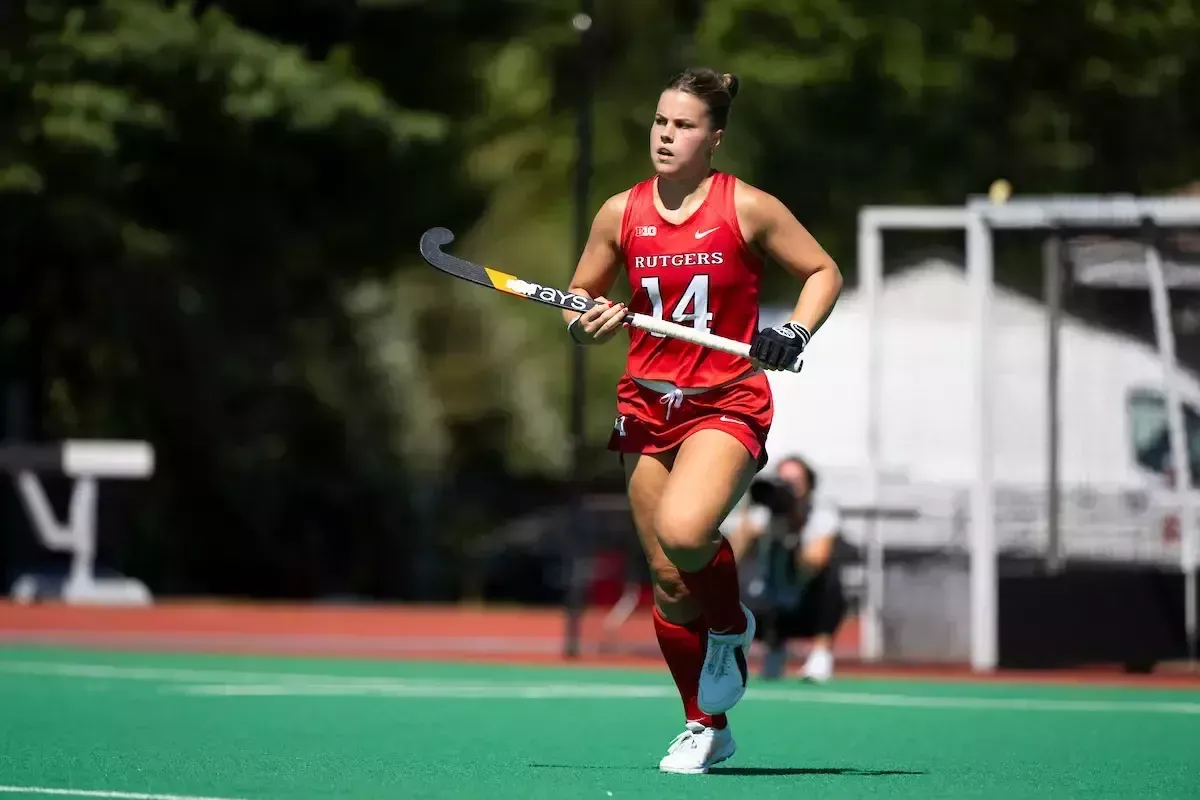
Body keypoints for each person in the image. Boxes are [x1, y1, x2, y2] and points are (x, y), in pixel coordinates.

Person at [562, 67, 843, 774]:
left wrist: (798, 334)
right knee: (665, 575)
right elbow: (578, 294)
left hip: (726, 402)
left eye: (683, 125)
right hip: (645, 404)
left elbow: (822, 273)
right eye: (661, 122)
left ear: (714, 138)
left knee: (686, 534)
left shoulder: (748, 208)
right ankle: (705, 724)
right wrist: (582, 325)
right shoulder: (618, 213)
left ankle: (729, 626)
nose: (666, 135)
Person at [724, 454, 847, 684]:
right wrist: (747, 520)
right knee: (727, 581)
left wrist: (793, 531)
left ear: (809, 485)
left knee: (831, 579)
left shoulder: (820, 514)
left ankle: (820, 655)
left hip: (804, 605)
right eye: (781, 481)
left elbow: (816, 561)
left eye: (794, 482)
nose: (786, 489)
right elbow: (731, 556)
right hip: (765, 604)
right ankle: (771, 648)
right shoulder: (762, 515)